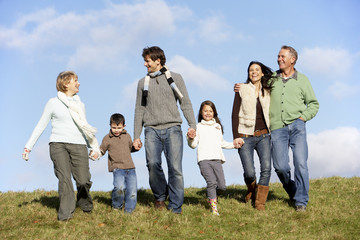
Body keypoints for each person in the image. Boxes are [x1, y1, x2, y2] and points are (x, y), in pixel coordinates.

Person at [235, 46, 319, 212]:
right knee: (280, 167)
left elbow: (314, 104)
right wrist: (242, 86)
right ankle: (292, 190)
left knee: (300, 163)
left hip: (297, 126)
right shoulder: (272, 79)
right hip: (278, 129)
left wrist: (303, 118)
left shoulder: (303, 80)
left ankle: (301, 201)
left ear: (292, 60)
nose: (279, 59)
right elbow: (255, 83)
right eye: (278, 56)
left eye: (282, 57)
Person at [22, 71, 100, 221]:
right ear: (66, 84)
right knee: (64, 179)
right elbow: (40, 126)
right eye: (75, 80)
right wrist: (28, 147)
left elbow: (84, 126)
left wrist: (94, 147)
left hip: (78, 144)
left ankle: (85, 203)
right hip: (58, 144)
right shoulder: (53, 103)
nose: (78, 83)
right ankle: (65, 215)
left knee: (83, 180)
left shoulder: (80, 104)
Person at [133, 46, 196, 214]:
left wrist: (192, 125)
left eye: (147, 61)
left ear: (157, 61)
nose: (145, 64)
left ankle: (175, 206)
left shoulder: (175, 78)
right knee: (152, 164)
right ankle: (160, 196)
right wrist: (136, 136)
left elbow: (185, 102)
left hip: (173, 128)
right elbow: (139, 109)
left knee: (175, 168)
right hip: (151, 129)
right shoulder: (142, 83)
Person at [231, 61, 273, 210]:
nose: (254, 72)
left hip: (264, 136)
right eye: (251, 70)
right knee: (249, 173)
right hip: (245, 136)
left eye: (257, 70)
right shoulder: (241, 89)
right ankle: (251, 189)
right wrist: (236, 136)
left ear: (262, 73)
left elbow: (278, 78)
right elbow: (235, 113)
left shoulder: (269, 89)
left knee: (267, 168)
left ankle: (259, 203)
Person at [188, 100, 237, 216]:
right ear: (201, 112)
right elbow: (193, 145)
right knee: (211, 183)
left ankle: (211, 197)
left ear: (214, 112)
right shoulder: (198, 127)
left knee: (222, 186)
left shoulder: (217, 127)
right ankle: (214, 210)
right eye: (205, 111)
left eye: (210, 111)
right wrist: (190, 138)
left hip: (217, 159)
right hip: (204, 160)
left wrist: (234, 145)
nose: (208, 113)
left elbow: (221, 143)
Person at [99, 113, 138, 213]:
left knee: (132, 191)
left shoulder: (127, 136)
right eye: (114, 127)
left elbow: (130, 149)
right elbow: (102, 150)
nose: (116, 130)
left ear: (124, 126)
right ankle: (117, 206)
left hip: (130, 168)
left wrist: (136, 147)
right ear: (110, 126)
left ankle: (130, 211)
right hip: (117, 168)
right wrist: (96, 154)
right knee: (119, 188)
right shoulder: (107, 138)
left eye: (119, 128)